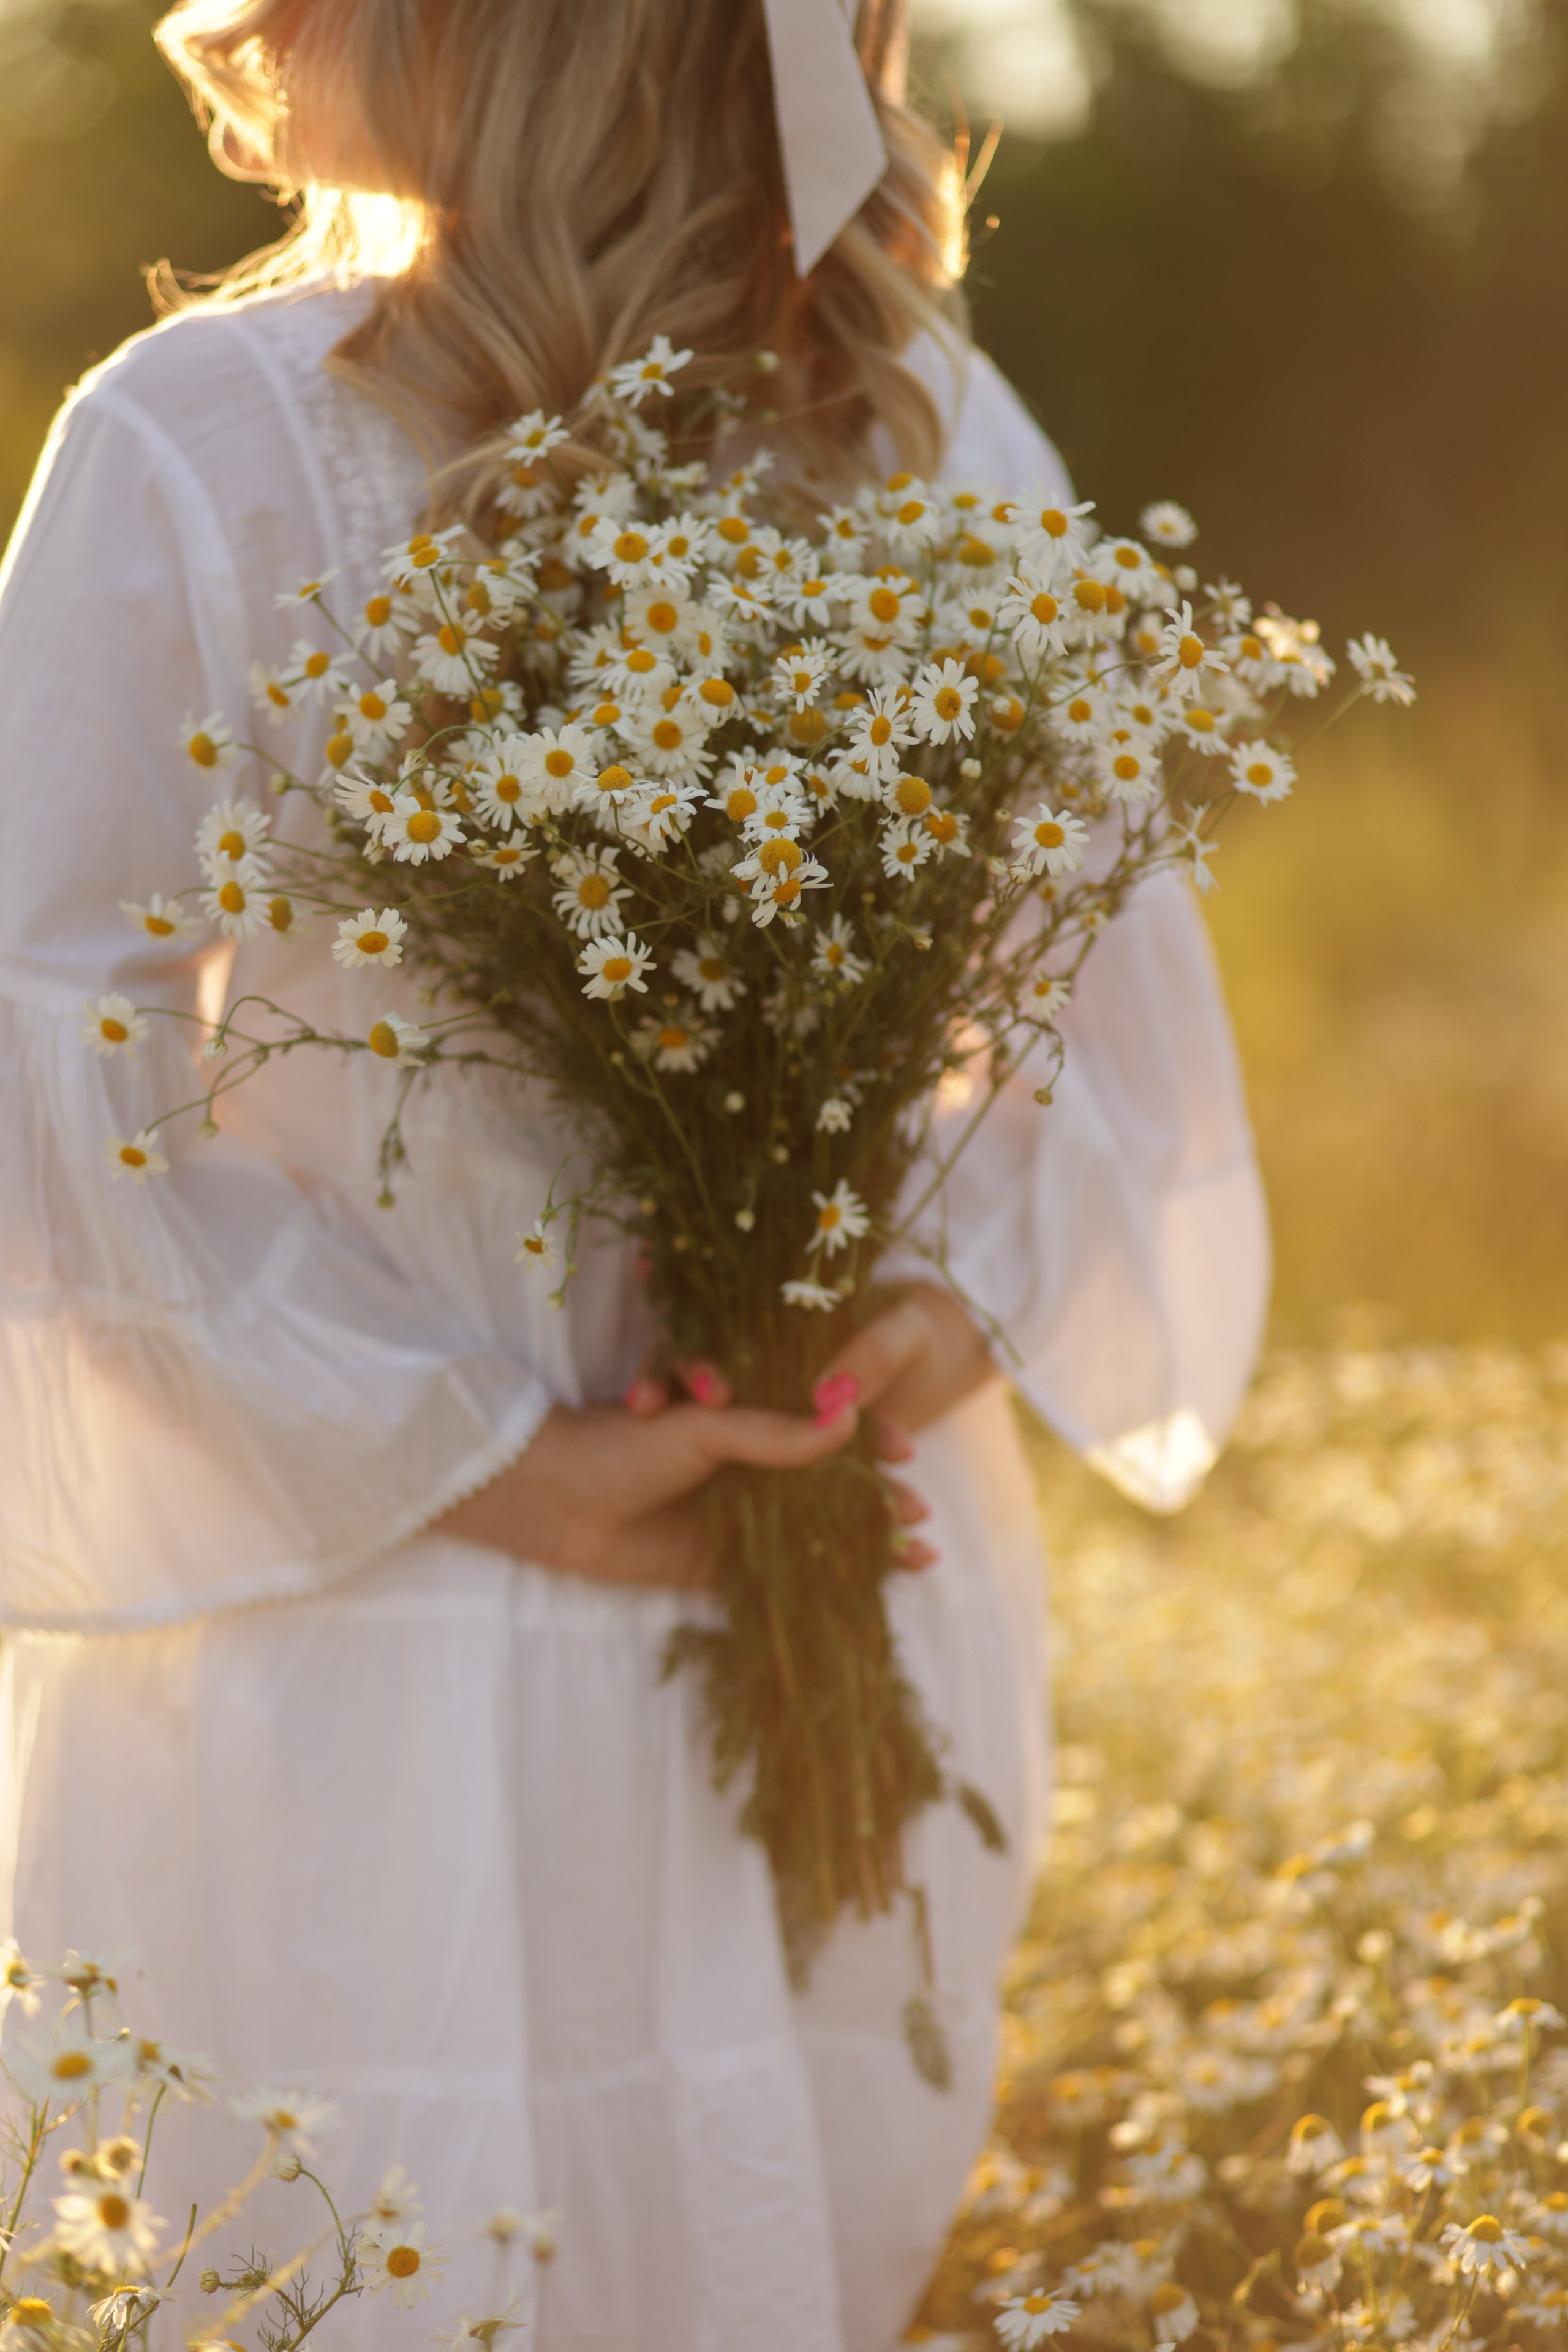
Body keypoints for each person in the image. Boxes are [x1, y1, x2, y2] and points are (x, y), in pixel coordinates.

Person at [0, 2, 1268, 2345]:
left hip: (631, 1601)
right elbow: (32, 1075)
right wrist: (519, 1445)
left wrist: (896, 1331)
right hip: (371, 1605)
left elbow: (1096, 989)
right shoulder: (234, 440)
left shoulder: (910, 425)